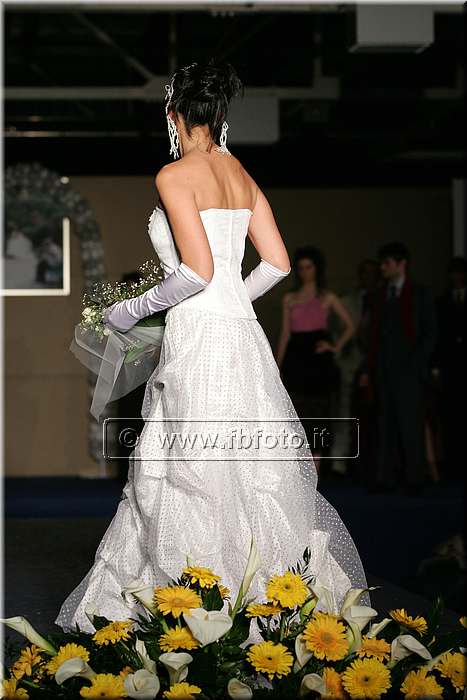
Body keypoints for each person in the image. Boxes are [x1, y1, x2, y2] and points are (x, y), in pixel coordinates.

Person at [54, 60, 368, 633]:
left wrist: (132, 309)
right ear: (218, 115)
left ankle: (197, 610)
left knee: (191, 464)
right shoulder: (240, 173)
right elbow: (276, 263)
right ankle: (266, 603)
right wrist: (234, 302)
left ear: (175, 114)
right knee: (246, 463)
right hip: (241, 334)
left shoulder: (175, 175)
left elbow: (196, 272)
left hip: (198, 334)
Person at [361, 242, 437, 496]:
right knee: (385, 425)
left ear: (401, 263)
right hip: (383, 370)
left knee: (411, 425)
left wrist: (417, 364)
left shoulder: (420, 294)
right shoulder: (378, 295)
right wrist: (369, 368)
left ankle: (414, 478)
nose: (383, 268)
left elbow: (430, 332)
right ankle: (385, 478)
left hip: (411, 372)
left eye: (388, 263)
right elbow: (371, 335)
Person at [276, 246, 354, 470]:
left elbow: (350, 326)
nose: (304, 272)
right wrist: (277, 365)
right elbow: (285, 333)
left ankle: (316, 471)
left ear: (317, 268)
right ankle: (300, 469)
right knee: (296, 411)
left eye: (308, 267)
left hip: (318, 361)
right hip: (296, 358)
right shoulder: (290, 298)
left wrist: (334, 346)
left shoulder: (327, 297)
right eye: (301, 268)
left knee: (319, 412)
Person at [329, 259, 380, 477]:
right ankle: (339, 461)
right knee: (344, 411)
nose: (368, 276)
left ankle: (372, 462)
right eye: (364, 272)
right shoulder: (347, 301)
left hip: (377, 364)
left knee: (376, 413)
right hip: (349, 363)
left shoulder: (384, 299)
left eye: (372, 272)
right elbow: (334, 329)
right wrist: (339, 352)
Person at [433, 256, 466, 482]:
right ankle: (452, 465)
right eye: (453, 272)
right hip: (450, 367)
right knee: (450, 416)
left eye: (460, 272)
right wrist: (436, 367)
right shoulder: (442, 301)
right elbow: (438, 336)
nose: (457, 277)